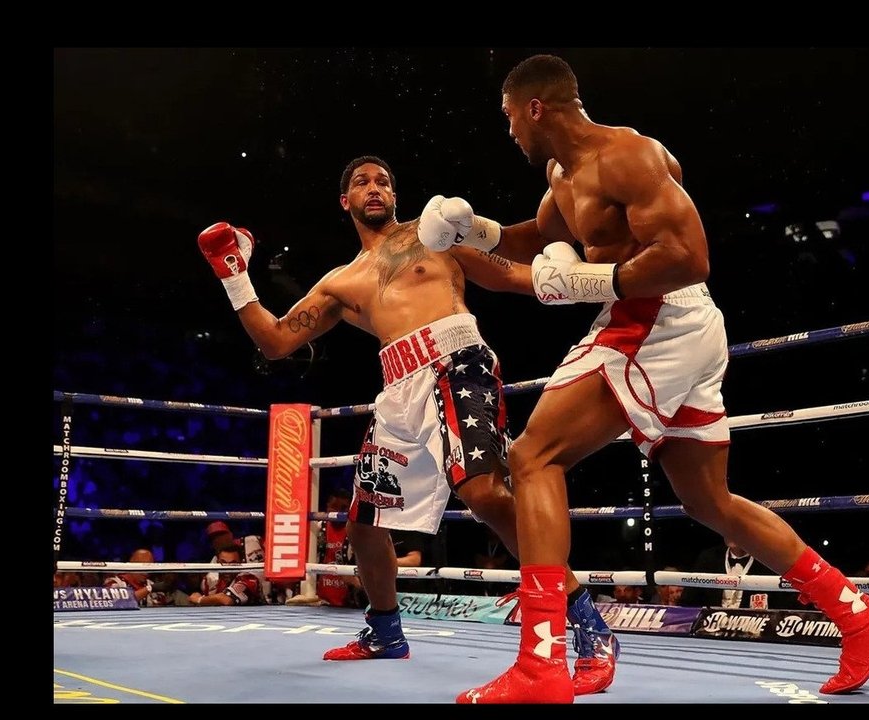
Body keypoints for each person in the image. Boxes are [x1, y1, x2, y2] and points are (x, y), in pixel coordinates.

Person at [443, 55, 869, 703]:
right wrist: (460, 233)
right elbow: (525, 244)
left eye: (508, 118)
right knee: (707, 502)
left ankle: (543, 663)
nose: (509, 133)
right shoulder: (562, 177)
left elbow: (690, 257)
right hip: (669, 323)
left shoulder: (628, 156)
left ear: (534, 107)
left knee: (533, 457)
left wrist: (591, 281)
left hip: (659, 315)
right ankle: (861, 615)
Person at [197, 156, 619, 694]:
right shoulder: (340, 281)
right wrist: (235, 276)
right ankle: (385, 632)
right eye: (361, 182)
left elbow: (511, 269)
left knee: (486, 493)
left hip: (456, 362)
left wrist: (593, 280)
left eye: (383, 181)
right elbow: (277, 341)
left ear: (395, 194)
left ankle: (590, 629)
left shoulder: (433, 234)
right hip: (398, 388)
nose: (374, 188)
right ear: (344, 201)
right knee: (364, 523)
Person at [188, 544, 264, 606]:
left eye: (233, 564)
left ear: (241, 563)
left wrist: (199, 599)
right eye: (223, 563)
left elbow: (227, 600)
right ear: (217, 562)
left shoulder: (249, 580)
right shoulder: (211, 581)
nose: (227, 569)